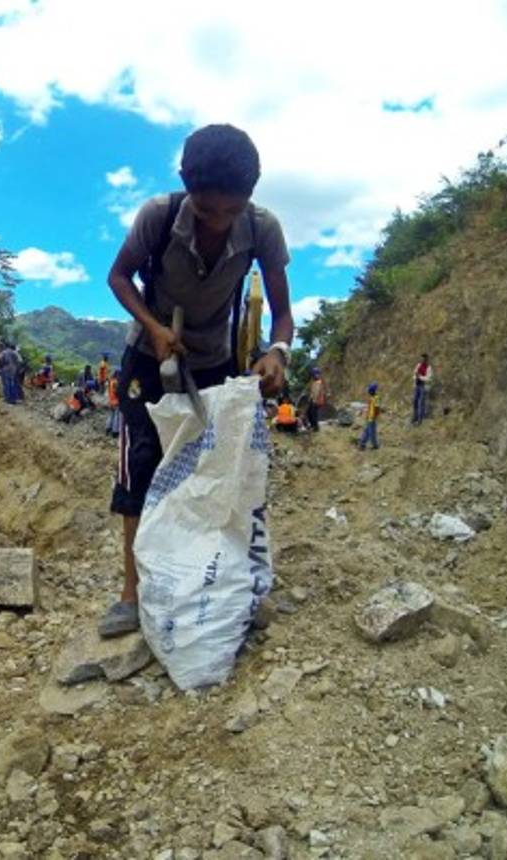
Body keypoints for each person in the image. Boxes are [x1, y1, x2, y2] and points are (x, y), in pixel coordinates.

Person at [99, 123, 294, 638]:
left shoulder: (262, 229)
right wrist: (156, 328)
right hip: (150, 360)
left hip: (214, 365)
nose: (219, 222)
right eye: (208, 211)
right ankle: (131, 592)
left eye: (232, 211)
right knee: (140, 468)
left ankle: (207, 582)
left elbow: (283, 314)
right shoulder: (158, 216)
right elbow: (118, 277)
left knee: (211, 473)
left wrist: (277, 352)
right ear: (187, 185)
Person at [359, 383, 381, 450]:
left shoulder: (374, 398)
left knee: (367, 431)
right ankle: (375, 445)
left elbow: (375, 409)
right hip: (371, 418)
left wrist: (370, 415)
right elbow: (376, 409)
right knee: (372, 433)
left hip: (370, 417)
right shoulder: (375, 398)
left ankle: (362, 443)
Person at [412, 354, 432, 425]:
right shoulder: (418, 365)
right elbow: (414, 374)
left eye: (423, 359)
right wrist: (415, 378)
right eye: (421, 359)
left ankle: (419, 420)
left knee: (421, 403)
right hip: (417, 386)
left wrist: (420, 377)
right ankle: (415, 417)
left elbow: (429, 379)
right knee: (414, 402)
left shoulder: (428, 368)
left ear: (426, 360)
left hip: (423, 387)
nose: (422, 360)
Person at [306, 367, 328, 432]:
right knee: (309, 412)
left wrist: (314, 400)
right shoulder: (315, 382)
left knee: (313, 413)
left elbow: (316, 392)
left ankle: (315, 427)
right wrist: (310, 398)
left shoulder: (318, 383)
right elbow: (312, 392)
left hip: (317, 401)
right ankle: (313, 425)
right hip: (314, 400)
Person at [105, 370, 122, 437]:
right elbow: (117, 392)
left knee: (111, 415)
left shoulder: (111, 381)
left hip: (111, 401)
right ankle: (115, 432)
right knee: (116, 416)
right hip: (116, 402)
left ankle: (108, 428)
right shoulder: (115, 382)